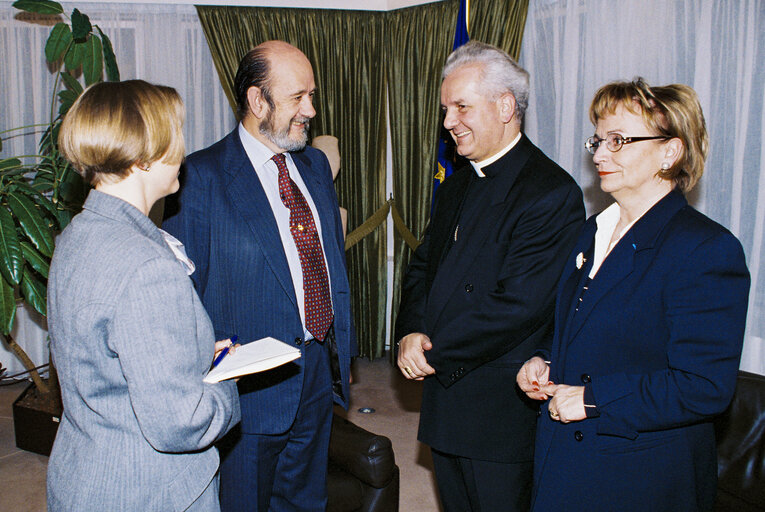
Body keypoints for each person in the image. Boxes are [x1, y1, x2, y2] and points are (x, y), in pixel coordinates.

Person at [517, 78, 750, 511]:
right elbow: (578, 327)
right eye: (599, 140)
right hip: (566, 456)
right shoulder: (594, 230)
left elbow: (703, 386)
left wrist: (590, 398)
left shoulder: (705, 249)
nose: (600, 154)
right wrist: (544, 359)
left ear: (670, 151)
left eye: (619, 140)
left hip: (639, 476)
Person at [162, 40, 355, 511]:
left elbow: (330, 262)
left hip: (315, 369)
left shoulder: (313, 166)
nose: (311, 109)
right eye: (298, 98)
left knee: (307, 500)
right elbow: (180, 293)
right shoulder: (200, 178)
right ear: (257, 101)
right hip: (248, 390)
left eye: (312, 95)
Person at [395, 40, 585, 512]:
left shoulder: (550, 191)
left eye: (461, 107)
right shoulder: (458, 181)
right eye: (445, 109)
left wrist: (434, 351)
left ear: (505, 106)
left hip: (496, 406)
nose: (447, 123)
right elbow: (423, 265)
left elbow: (518, 306)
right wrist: (410, 331)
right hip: (445, 393)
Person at [47, 80, 241, 511]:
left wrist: (192, 356)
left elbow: (103, 359)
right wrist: (226, 380)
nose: (183, 152)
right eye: (175, 136)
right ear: (143, 157)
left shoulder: (78, 235)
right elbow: (180, 422)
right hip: (151, 491)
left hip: (86, 473)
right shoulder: (147, 265)